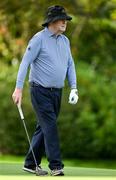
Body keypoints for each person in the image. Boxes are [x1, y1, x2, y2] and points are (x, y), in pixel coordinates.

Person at [12, 5, 79, 176]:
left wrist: (74, 88)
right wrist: (18, 88)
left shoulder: (65, 41)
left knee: (43, 127)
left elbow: (70, 65)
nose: (65, 22)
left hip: (57, 92)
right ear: (51, 21)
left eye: (66, 20)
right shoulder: (38, 39)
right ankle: (56, 165)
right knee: (50, 126)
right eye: (61, 19)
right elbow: (25, 63)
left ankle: (30, 163)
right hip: (39, 90)